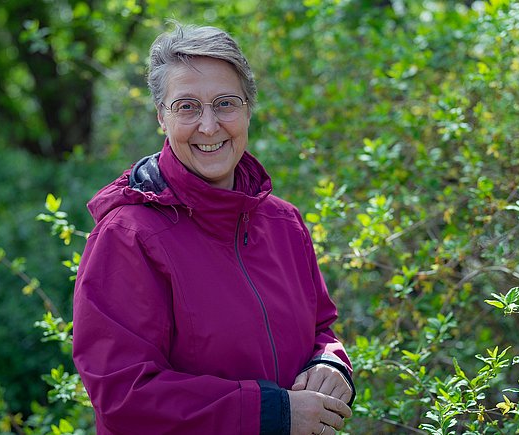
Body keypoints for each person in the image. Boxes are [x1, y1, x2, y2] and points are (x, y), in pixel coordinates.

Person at [72, 23, 355, 435]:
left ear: (247, 110)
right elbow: (124, 396)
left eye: (225, 103)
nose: (208, 125)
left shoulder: (284, 223)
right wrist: (273, 414)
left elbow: (320, 330)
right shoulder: (128, 236)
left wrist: (331, 362)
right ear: (161, 117)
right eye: (186, 106)